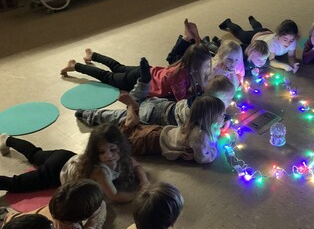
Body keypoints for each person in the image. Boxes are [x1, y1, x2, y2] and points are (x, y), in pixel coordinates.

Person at [0, 124, 150, 203]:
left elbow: (137, 165)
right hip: (55, 172)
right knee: (17, 184)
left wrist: (144, 181)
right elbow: (115, 196)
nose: (109, 156)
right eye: (101, 152)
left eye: (112, 149)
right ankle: (6, 140)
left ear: (120, 146)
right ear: (94, 152)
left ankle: (7, 139)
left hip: (65, 156)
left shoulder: (122, 155)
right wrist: (138, 194)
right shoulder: (100, 171)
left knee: (34, 154)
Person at [76, 73, 236, 128]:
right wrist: (225, 122)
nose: (229, 103)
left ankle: (137, 93)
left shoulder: (201, 98)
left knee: (136, 104)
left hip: (161, 104)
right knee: (120, 117)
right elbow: (209, 129)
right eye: (228, 100)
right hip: (155, 116)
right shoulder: (204, 112)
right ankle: (88, 114)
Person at [60, 43, 211, 101]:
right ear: (196, 65)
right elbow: (181, 100)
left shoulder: (182, 63)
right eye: (205, 65)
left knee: (118, 67)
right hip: (140, 80)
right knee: (107, 77)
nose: (206, 68)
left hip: (148, 71)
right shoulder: (180, 76)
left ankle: (92, 56)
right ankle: (76, 66)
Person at [118, 95, 226, 164]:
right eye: (221, 115)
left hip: (161, 132)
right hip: (153, 142)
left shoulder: (197, 123)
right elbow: (202, 158)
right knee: (125, 143)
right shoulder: (200, 136)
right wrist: (214, 151)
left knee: (135, 131)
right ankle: (130, 116)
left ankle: (133, 113)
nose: (224, 117)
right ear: (210, 118)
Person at [219, 16, 300, 72]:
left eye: (291, 40)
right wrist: (284, 66)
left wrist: (293, 64)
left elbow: (291, 56)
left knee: (259, 28)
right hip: (256, 37)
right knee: (240, 33)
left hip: (266, 32)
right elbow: (271, 60)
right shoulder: (272, 44)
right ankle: (228, 22)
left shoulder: (292, 41)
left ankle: (252, 20)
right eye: (285, 39)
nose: (288, 43)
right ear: (278, 35)